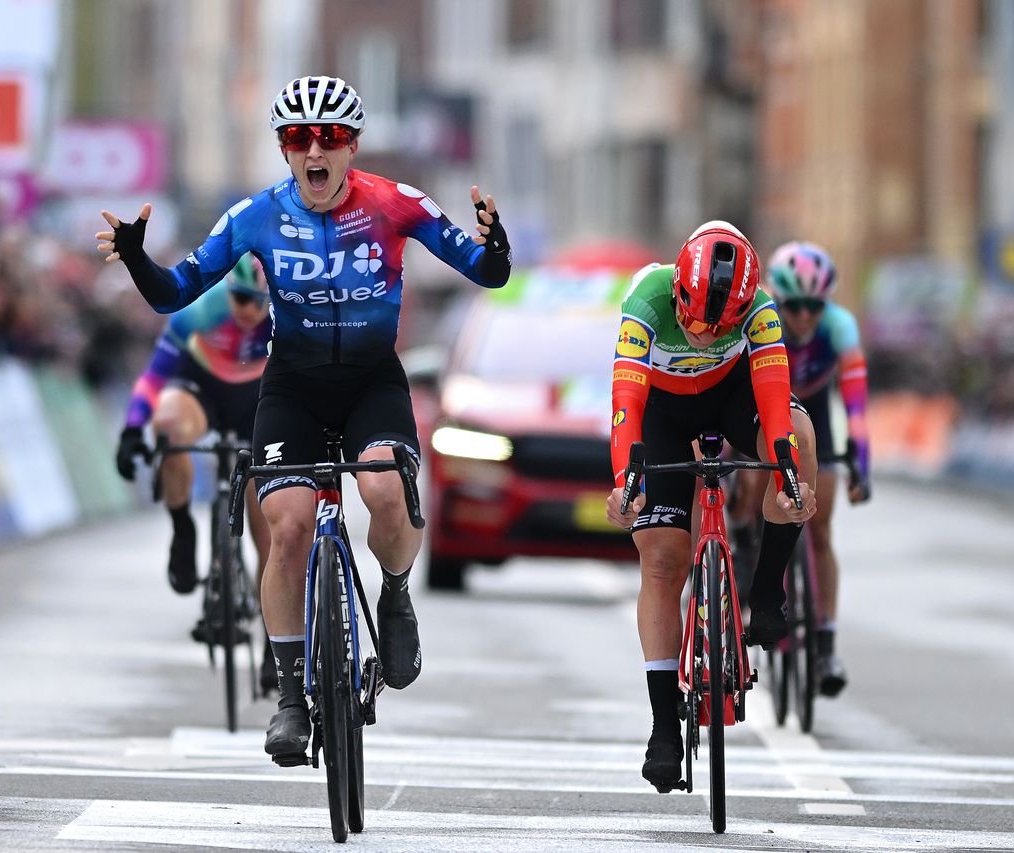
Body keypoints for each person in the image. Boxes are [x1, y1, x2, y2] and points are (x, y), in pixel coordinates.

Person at [96, 75, 511, 762]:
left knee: (382, 490)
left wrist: (493, 247)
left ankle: (397, 593)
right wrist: (139, 258)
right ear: (284, 149)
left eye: (331, 138)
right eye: (298, 138)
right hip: (291, 384)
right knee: (285, 527)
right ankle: (291, 697)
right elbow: (176, 293)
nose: (314, 150)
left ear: (352, 146)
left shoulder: (396, 203)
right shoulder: (254, 215)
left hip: (372, 382)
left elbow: (484, 271)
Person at [605, 221, 817, 793]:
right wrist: (629, 482)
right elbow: (626, 406)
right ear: (678, 290)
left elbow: (773, 413)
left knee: (798, 431)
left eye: (717, 326)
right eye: (694, 320)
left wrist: (789, 476)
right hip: (662, 416)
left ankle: (768, 588)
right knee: (662, 562)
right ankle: (662, 727)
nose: (701, 335)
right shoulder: (646, 299)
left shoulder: (762, 312)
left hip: (730, 401)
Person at [113, 256, 277, 689]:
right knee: (169, 425)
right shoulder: (203, 309)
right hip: (202, 385)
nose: (251, 312)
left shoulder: (287, 311)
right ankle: (182, 528)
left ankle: (275, 648)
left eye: (261, 302)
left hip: (258, 393)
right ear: (229, 292)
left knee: (271, 531)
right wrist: (133, 428)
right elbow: (154, 377)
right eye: (242, 299)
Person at [731, 241, 871, 697]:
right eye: (796, 305)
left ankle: (827, 641)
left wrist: (860, 462)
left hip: (813, 412)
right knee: (755, 482)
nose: (806, 316)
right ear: (779, 299)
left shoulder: (840, 326)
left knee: (821, 527)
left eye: (815, 305)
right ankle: (750, 545)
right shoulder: (763, 316)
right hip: (765, 405)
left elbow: (855, 403)